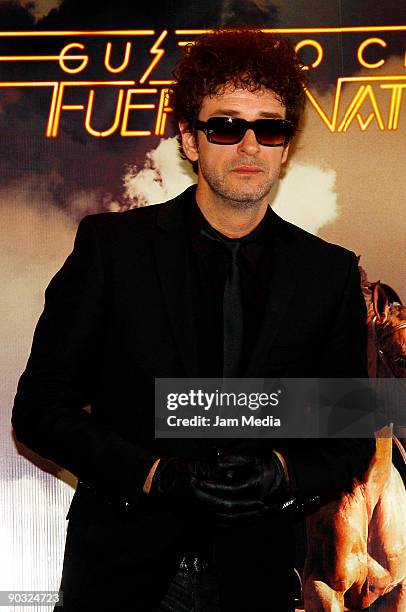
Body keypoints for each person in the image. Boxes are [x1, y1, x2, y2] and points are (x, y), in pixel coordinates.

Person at [12, 28, 375, 612]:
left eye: (270, 127)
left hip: (255, 578)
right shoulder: (112, 249)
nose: (249, 146)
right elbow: (40, 409)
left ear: (287, 145)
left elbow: (349, 435)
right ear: (190, 138)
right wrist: (154, 473)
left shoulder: (328, 275)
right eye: (227, 126)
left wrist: (280, 473)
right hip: (122, 574)